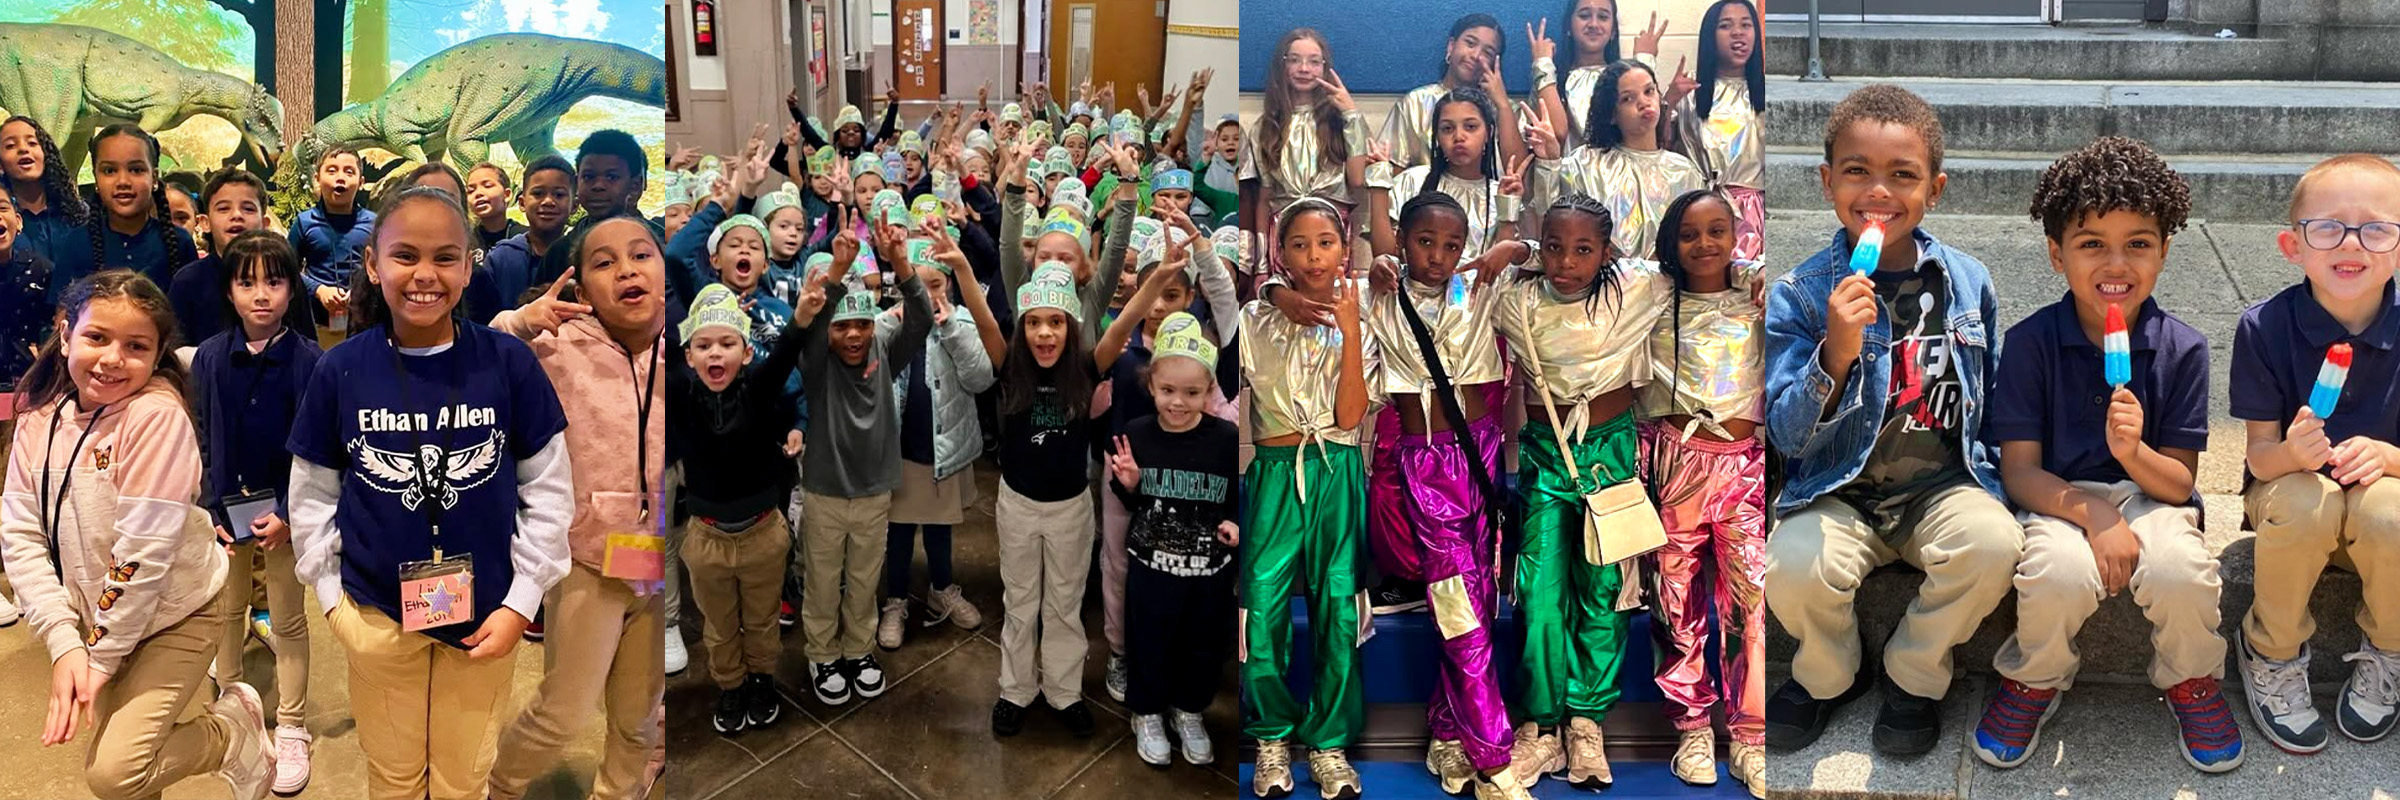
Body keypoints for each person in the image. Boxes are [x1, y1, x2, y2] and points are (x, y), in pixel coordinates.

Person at [287, 186, 572, 800]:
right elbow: (312, 494)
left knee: (463, 777)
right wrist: (334, 601)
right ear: (372, 264)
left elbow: (547, 491)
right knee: (392, 777)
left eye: (446, 257)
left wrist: (523, 601)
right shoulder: (340, 370)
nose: (425, 275)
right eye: (405, 255)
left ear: (470, 266)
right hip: (376, 616)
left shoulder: (508, 363)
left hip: (487, 620)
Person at [1762, 84, 2021, 758]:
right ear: (1826, 182)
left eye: (1902, 175)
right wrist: (1835, 354)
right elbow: (1787, 436)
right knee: (1790, 565)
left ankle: (1915, 671)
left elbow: (1985, 402)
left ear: (1933, 189)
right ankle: (1830, 673)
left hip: (1939, 487)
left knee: (1994, 545)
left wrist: (2000, 484)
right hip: (1839, 492)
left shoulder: (1968, 281)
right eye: (1857, 171)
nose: (1879, 192)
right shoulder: (1800, 292)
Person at [1966, 136, 2238, 773]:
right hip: (2058, 497)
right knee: (2055, 574)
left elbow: (2177, 486)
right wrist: (2098, 516)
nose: (2116, 263)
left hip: (2154, 498)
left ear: (2164, 252)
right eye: (2092, 244)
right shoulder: (2032, 343)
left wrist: (2134, 450)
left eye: (2138, 243)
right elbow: (2019, 472)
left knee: (2181, 572)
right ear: (2057, 256)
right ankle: (2036, 677)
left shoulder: (2185, 349)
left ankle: (2191, 678)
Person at [2, 270, 276, 800]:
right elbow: (20, 535)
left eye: (136, 346)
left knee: (115, 772)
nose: (111, 358)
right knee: (133, 775)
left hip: (179, 612)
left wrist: (98, 659)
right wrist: (64, 642)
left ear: (157, 355)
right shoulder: (40, 419)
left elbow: (141, 557)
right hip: (99, 615)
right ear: (65, 336)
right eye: (96, 337)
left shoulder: (155, 415)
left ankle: (229, 733)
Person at [1468, 194, 1670, 790]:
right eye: (1553, 246)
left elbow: (1706, 267)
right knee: (1538, 587)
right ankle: (1541, 724)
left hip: (1609, 454)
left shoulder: (1637, 290)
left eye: (1584, 249)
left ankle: (1586, 720)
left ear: (1607, 252)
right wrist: (1518, 250)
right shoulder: (1517, 298)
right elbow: (1448, 291)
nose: (1566, 261)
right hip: (1544, 455)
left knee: (1604, 588)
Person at [484, 217, 670, 800]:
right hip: (588, 559)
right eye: (605, 262)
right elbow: (480, 360)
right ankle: (499, 786)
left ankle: (619, 790)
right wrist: (520, 321)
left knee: (640, 713)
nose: (627, 270)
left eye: (642, 255)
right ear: (581, 289)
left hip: (662, 561)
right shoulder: (557, 348)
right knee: (563, 710)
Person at [2230, 153, 2400, 753]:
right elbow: (2256, 460)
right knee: (2307, 498)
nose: (2351, 242)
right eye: (2327, 227)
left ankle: (2389, 650)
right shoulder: (2264, 328)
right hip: (2290, 500)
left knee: (2391, 511)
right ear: (2292, 246)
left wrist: (2388, 455)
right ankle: (2270, 651)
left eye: (2377, 227)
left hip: (2380, 513)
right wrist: (2293, 452)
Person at [1240, 198, 1374, 800]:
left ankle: (1328, 742)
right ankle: (1271, 735)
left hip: (1337, 469)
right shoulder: (1255, 315)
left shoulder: (1365, 312)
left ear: (1344, 248)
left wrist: (1349, 334)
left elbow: (1350, 415)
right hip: (1273, 472)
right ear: (1281, 253)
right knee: (1262, 606)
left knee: (1337, 608)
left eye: (1325, 242)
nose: (1314, 255)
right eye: (1300, 244)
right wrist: (1272, 293)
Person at [1638, 189, 1766, 794]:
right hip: (1674, 462)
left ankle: (1750, 732)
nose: (1705, 244)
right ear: (1672, 240)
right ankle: (1691, 725)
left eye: (1719, 230)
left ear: (1737, 235)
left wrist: (1756, 272)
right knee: (1675, 598)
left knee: (1751, 602)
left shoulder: (1756, 296)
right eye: (1690, 233)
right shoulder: (1653, 298)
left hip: (1743, 465)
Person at [192, 232, 325, 796]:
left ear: (292, 287)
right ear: (229, 289)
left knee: (289, 619)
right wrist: (207, 507)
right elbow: (198, 436)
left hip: (284, 519)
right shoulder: (208, 358)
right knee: (226, 612)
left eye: (274, 281)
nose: (262, 295)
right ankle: (233, 708)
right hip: (224, 513)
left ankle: (291, 725)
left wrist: (293, 515)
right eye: (247, 282)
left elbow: (319, 449)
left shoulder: (310, 361)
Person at [792, 214, 934, 708]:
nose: (852, 335)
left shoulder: (883, 348)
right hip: (826, 489)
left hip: (874, 489)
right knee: (823, 578)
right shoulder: (816, 360)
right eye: (842, 327)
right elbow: (808, 329)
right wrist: (836, 272)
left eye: (861, 324)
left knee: (864, 578)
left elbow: (921, 319)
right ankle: (822, 652)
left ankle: (858, 649)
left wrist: (900, 262)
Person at [1107, 311, 1239, 770]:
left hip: (1209, 575)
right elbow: (1127, 500)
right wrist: (1129, 481)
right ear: (1151, 387)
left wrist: (1236, 523)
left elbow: (1243, 497)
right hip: (1151, 572)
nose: (1178, 403)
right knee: (1149, 642)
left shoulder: (1226, 439)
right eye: (1167, 391)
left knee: (1202, 645)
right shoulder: (1139, 435)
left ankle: (1189, 710)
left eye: (1191, 393)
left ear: (1209, 392)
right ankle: (1146, 712)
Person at [672, 283, 805, 734]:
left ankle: (763, 679)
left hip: (763, 533)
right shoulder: (683, 400)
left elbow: (788, 350)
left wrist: (804, 312)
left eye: (728, 344)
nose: (716, 354)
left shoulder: (758, 391)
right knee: (720, 623)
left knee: (763, 618)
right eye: (703, 345)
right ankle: (731, 684)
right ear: (688, 356)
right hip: (707, 538)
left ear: (747, 354)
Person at [1526, 60, 1705, 270]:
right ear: (1611, 114)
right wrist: (1549, 164)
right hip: (1603, 288)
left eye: (1649, 91)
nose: (1644, 103)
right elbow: (1550, 222)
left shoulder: (1684, 171)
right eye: (1628, 98)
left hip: (1667, 289)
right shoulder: (1585, 164)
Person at [1668, 0, 1767, 262]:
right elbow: (1662, 152)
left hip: (1754, 212)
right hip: (1701, 208)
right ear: (1710, 36)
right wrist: (1668, 102)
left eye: (1746, 25)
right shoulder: (1690, 89)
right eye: (1726, 26)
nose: (1738, 32)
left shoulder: (1765, 91)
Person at [172, 169, 317, 346]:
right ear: (205, 222)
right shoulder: (187, 281)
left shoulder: (283, 277)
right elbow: (176, 352)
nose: (236, 216)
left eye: (248, 209)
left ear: (265, 223)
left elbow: (307, 344)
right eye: (224, 209)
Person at [1378, 14, 1526, 176]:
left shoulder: (1507, 109)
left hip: (1489, 199)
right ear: (1451, 46)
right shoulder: (1415, 103)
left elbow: (1519, 175)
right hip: (1426, 198)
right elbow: (1393, 177)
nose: (1476, 56)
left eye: (1487, 52)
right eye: (1470, 43)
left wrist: (1502, 105)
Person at [83, 126, 198, 290]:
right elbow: (63, 313)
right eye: (109, 170)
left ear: (154, 178)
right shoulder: (76, 243)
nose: (123, 181)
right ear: (96, 178)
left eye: (136, 170)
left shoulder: (180, 242)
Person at [1, 115, 92, 300]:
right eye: (10, 145)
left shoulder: (78, 213)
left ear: (46, 153)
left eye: (32, 143)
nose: (23, 149)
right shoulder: (3, 222)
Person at [291, 144, 374, 344]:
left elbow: (385, 268)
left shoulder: (374, 223)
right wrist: (318, 290)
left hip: (365, 322)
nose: (340, 177)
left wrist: (362, 291)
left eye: (349, 171)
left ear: (361, 182)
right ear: (317, 179)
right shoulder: (304, 222)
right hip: (315, 323)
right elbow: (286, 268)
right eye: (331, 170)